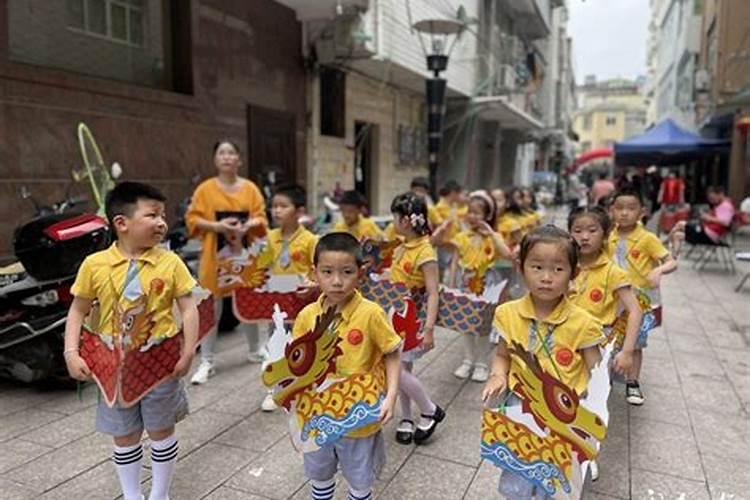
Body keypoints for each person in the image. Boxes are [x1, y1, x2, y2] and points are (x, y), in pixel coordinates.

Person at [64, 182, 198, 500]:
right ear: (121, 223)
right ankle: (131, 494)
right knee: (124, 434)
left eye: (163, 215)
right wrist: (71, 352)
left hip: (161, 363)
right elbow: (77, 310)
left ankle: (160, 493)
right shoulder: (94, 265)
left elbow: (189, 308)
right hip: (112, 367)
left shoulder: (170, 262)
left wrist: (189, 350)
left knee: (161, 429)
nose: (162, 222)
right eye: (152, 214)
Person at [482, 225, 603, 500]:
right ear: (521, 267)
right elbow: (502, 354)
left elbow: (597, 374)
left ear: (575, 273)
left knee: (556, 483)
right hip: (519, 410)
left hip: (565, 418)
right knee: (518, 478)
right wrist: (497, 376)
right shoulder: (507, 313)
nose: (546, 278)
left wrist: (590, 418)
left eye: (558, 269)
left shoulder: (584, 324)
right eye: (537, 267)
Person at [294, 232, 402, 500]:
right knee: (319, 474)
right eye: (327, 272)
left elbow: (392, 353)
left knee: (359, 478)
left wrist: (390, 396)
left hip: (359, 415)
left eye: (347, 272)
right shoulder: (307, 315)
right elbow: (295, 363)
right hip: (317, 416)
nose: (337, 281)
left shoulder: (370, 313)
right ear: (314, 273)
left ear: (360, 272)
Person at [567, 206, 644, 482]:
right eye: (577, 230)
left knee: (592, 403)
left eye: (592, 230)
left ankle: (588, 455)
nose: (584, 237)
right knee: (562, 398)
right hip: (562, 345)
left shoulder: (613, 272)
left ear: (605, 234)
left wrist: (626, 352)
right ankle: (560, 446)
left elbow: (635, 311)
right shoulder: (565, 265)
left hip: (596, 349)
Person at [185, 140, 268, 385]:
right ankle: (207, 360)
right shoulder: (205, 190)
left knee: (248, 304)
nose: (227, 157)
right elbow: (193, 220)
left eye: (232, 153)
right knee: (211, 308)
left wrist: (247, 225)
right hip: (214, 258)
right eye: (222, 153)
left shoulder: (250, 188)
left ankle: (255, 350)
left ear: (239, 160)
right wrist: (217, 226)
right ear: (215, 160)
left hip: (244, 256)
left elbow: (261, 217)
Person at [608, 187, 677, 405]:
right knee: (608, 339)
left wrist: (659, 270)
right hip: (610, 299)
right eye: (619, 208)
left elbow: (671, 261)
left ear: (642, 212)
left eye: (631, 208)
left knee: (635, 343)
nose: (624, 213)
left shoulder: (647, 239)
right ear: (611, 211)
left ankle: (633, 382)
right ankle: (605, 378)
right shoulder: (607, 235)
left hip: (637, 301)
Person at [389, 192, 445, 445]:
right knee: (403, 368)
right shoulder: (400, 247)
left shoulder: (425, 252)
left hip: (413, 318)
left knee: (397, 369)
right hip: (396, 315)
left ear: (405, 221)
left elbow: (433, 292)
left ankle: (430, 409)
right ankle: (407, 417)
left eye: (395, 216)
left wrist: (430, 329)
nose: (393, 221)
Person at [258, 184, 319, 412]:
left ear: (300, 211)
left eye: (283, 206)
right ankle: (273, 391)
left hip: (301, 303)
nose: (276, 211)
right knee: (275, 344)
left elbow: (318, 271)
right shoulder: (269, 237)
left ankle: (303, 384)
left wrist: (313, 285)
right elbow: (262, 267)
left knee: (301, 345)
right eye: (274, 206)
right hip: (276, 303)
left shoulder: (310, 240)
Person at [441, 190, 512, 382]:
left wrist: (491, 233)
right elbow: (455, 261)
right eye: (470, 211)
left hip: (487, 284)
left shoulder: (493, 236)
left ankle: (481, 364)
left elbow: (507, 253)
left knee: (483, 325)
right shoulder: (462, 236)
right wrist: (451, 285)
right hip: (465, 283)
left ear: (487, 215)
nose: (472, 216)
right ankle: (467, 360)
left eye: (477, 212)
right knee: (465, 324)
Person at [428, 180, 467, 279]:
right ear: (453, 193)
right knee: (443, 273)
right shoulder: (439, 208)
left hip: (454, 246)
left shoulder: (453, 207)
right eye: (459, 193)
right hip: (443, 246)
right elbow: (439, 227)